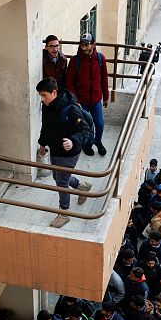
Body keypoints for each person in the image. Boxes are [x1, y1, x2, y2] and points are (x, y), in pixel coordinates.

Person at [34, 78, 93, 228]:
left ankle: (64, 213)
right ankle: (81, 187)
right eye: (40, 95)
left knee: (61, 183)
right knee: (57, 177)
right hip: (55, 149)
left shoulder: (71, 109)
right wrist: (42, 144)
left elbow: (85, 130)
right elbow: (46, 126)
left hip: (69, 152)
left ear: (54, 92)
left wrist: (73, 141)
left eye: (44, 95)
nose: (42, 99)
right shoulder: (47, 105)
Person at [65, 33, 109, 156]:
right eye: (82, 45)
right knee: (86, 125)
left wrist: (105, 97)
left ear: (93, 44)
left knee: (99, 124)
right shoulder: (75, 61)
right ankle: (88, 144)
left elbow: (104, 79)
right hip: (81, 101)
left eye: (87, 45)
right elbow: (69, 82)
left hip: (96, 99)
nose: (84, 48)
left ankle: (98, 141)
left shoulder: (100, 58)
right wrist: (75, 100)